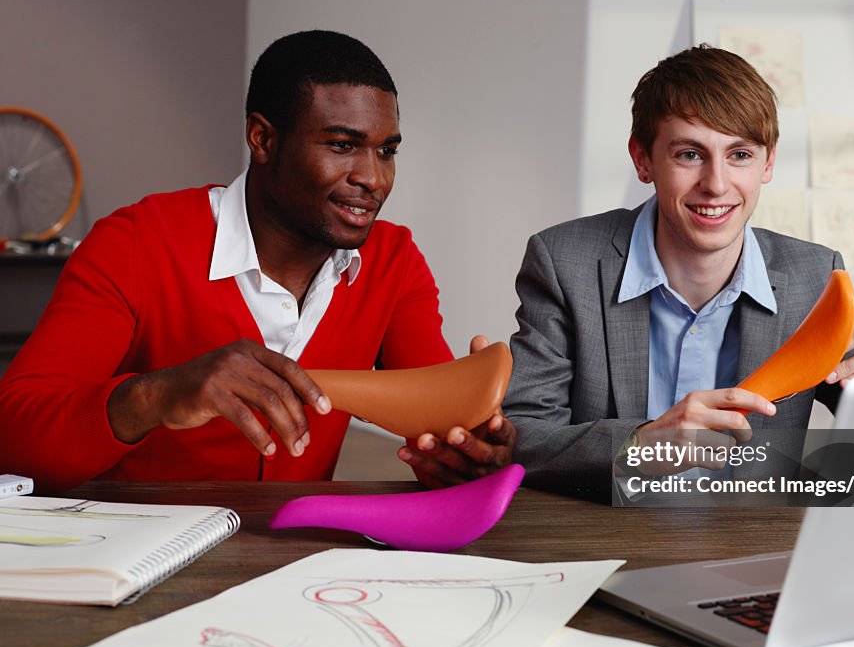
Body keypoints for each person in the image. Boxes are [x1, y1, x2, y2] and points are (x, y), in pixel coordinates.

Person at [0, 30, 513, 491]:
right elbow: (15, 435)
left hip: (295, 567)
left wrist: (458, 453)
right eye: (341, 145)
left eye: (386, 151)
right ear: (263, 139)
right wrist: (158, 395)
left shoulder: (394, 260)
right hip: (136, 562)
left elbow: (432, 424)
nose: (373, 178)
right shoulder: (135, 242)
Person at [503, 45, 854, 502]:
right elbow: (521, 438)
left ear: (769, 162)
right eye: (689, 154)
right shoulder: (565, 261)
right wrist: (641, 447)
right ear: (643, 160)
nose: (717, 184)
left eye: (739, 154)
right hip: (604, 547)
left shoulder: (815, 277)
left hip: (745, 553)